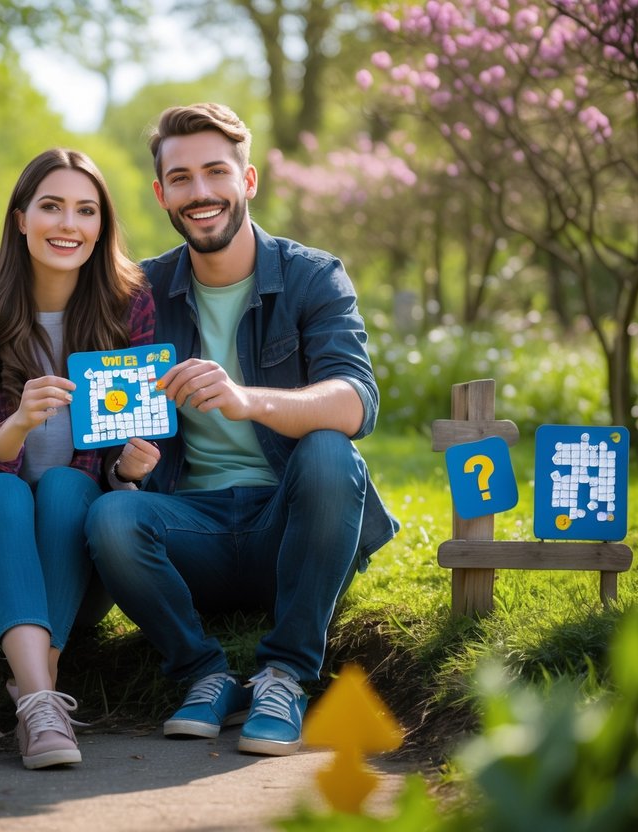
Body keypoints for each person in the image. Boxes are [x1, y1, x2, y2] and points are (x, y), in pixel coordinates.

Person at [85, 103, 399, 757]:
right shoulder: (137, 294)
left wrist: (246, 400)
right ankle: (204, 676)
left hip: (296, 528)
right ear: (160, 193)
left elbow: (355, 402)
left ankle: (284, 674)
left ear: (247, 180)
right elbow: (110, 436)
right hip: (188, 534)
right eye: (180, 178)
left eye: (214, 172)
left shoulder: (313, 275)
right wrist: (126, 469)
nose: (199, 193)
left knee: (326, 452)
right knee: (111, 515)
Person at [0, 148, 155, 770]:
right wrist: (19, 423)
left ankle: (38, 685)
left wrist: (128, 472)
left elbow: (114, 462)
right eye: (52, 206)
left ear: (101, 227)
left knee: (63, 486)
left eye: (87, 211)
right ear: (20, 219)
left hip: (78, 567)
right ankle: (40, 699)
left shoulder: (127, 306)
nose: (69, 224)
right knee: (7, 493)